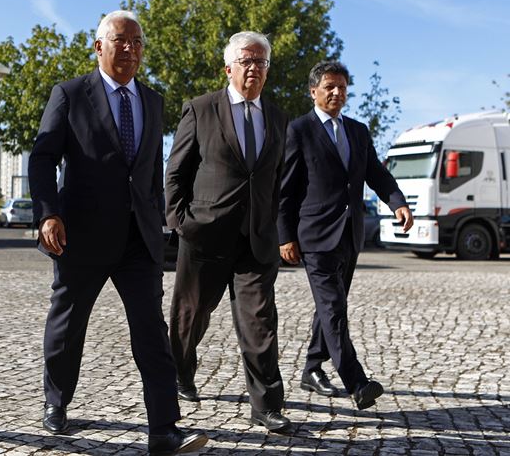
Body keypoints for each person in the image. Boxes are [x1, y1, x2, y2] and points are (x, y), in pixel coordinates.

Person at [28, 10, 208, 455]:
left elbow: (147, 169)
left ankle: (164, 429)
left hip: (139, 239)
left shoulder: (152, 100)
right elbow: (42, 158)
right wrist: (49, 213)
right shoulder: (70, 95)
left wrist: (160, 218)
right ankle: (57, 401)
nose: (130, 48)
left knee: (151, 332)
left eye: (137, 42)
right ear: (99, 47)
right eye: (121, 40)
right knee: (68, 328)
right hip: (81, 236)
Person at [165, 31, 291, 433]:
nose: (254, 68)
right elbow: (176, 173)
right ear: (229, 67)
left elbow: (276, 179)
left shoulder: (277, 117)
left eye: (261, 62)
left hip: (256, 238)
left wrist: (275, 224)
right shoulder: (201, 110)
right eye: (246, 61)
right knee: (190, 316)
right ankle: (182, 371)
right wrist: (181, 222)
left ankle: (267, 404)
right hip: (205, 234)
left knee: (259, 320)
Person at [277, 60, 413, 410]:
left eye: (342, 87)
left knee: (331, 305)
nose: (337, 93)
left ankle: (311, 368)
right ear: (313, 91)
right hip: (315, 236)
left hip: (349, 236)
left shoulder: (357, 130)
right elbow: (287, 190)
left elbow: (376, 174)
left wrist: (397, 202)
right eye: (329, 87)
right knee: (334, 308)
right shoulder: (299, 130)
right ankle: (357, 382)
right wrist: (285, 236)